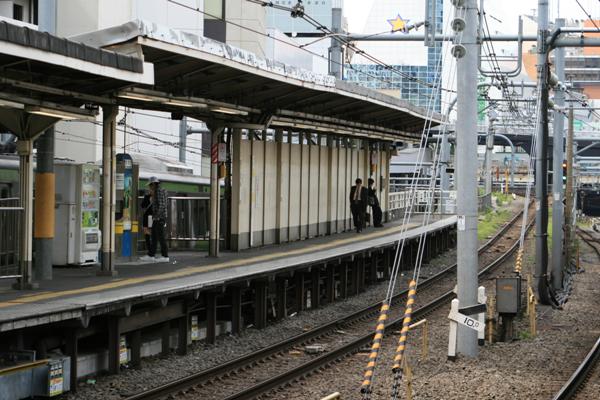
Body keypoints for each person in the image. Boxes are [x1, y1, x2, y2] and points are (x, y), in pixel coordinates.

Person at [140, 176, 169, 262]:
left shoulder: (159, 191)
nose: (149, 187)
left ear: (153, 184)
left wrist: (156, 215)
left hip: (159, 217)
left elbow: (162, 205)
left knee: (160, 237)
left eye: (150, 185)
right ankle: (151, 255)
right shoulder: (160, 190)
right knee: (155, 236)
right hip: (159, 217)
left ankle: (165, 256)